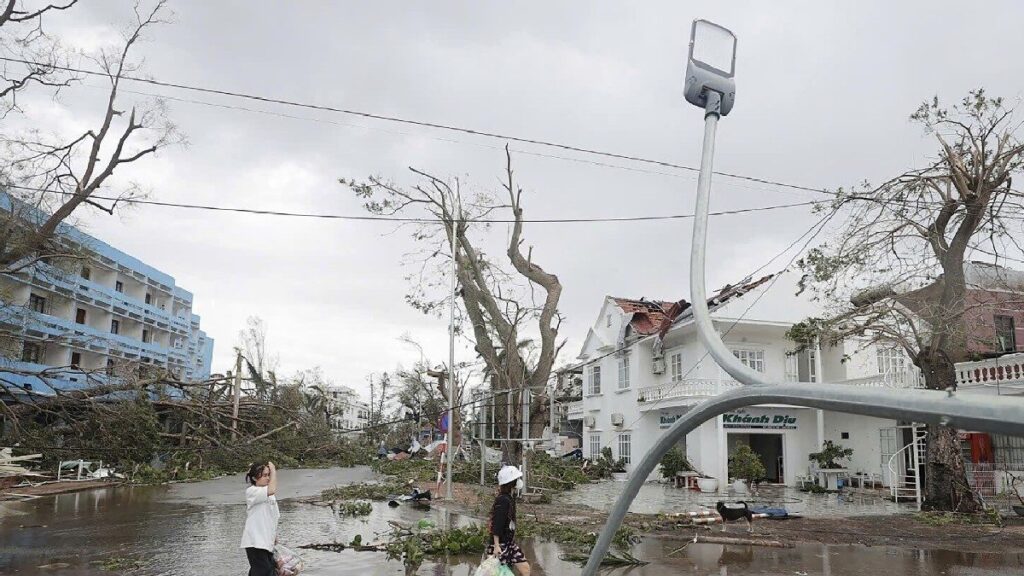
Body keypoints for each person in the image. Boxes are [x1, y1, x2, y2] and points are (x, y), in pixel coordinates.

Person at [487, 465, 531, 576]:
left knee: (525, 569)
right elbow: (497, 524)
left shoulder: (509, 498)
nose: (518, 481)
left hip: (509, 544)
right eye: (516, 479)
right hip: (500, 545)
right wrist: (496, 545)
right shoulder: (503, 500)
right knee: (496, 573)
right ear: (511, 482)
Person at [241, 461, 279, 576]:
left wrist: (274, 535)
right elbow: (272, 489)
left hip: (266, 541)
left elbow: (271, 517)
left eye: (268, 475)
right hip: (255, 542)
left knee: (270, 570)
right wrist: (273, 471)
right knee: (264, 571)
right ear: (254, 478)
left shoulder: (270, 495)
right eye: (264, 475)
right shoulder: (252, 491)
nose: (268, 478)